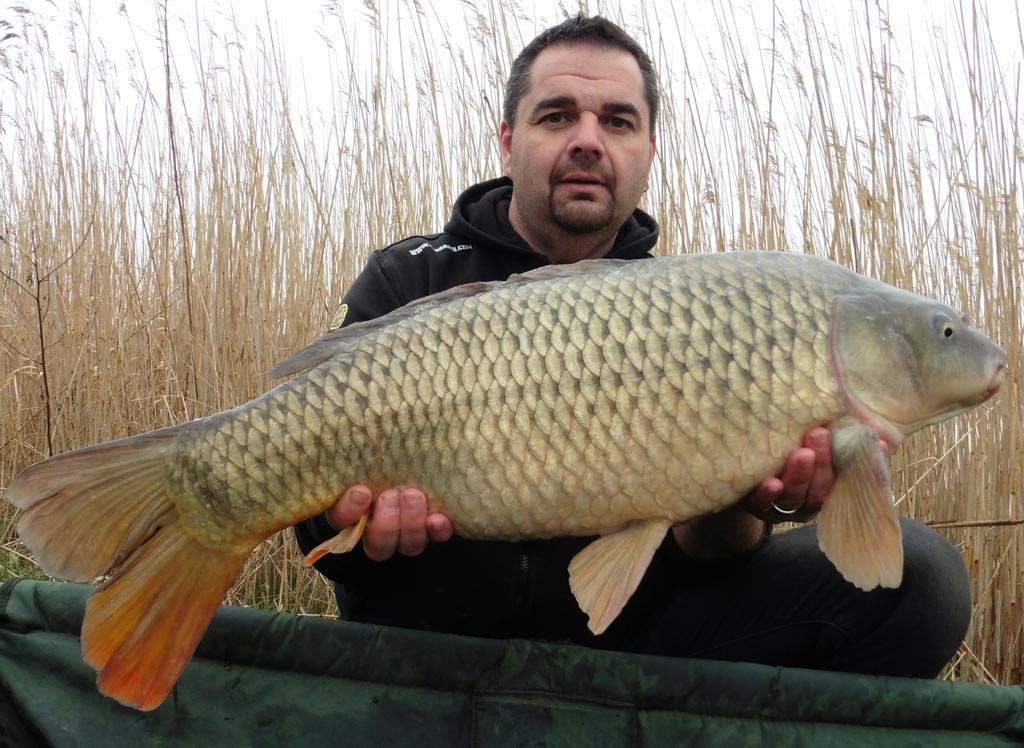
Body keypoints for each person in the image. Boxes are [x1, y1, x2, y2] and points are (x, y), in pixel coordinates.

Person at [294, 15, 970, 678]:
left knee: (923, 582)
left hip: (635, 645)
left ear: (649, 150)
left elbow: (706, 554)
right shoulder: (410, 278)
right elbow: (318, 531)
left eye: (617, 121)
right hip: (429, 644)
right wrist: (347, 526)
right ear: (508, 140)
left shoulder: (694, 314)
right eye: (557, 116)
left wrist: (754, 504)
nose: (588, 140)